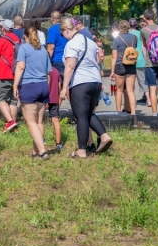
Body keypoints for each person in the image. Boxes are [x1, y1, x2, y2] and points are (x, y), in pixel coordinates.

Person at [59, 17, 113, 158]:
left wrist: (64, 87)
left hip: (80, 82)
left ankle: (82, 151)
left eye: (62, 33)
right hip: (95, 81)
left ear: (66, 30)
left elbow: (70, 66)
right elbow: (97, 62)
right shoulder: (91, 42)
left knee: (80, 116)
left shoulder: (72, 44)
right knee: (88, 114)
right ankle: (104, 136)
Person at [13, 25, 51, 158]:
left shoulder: (24, 47)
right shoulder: (43, 50)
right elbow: (48, 73)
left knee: (30, 121)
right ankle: (36, 152)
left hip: (29, 86)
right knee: (39, 121)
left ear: (25, 36)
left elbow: (20, 66)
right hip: (43, 86)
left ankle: (42, 151)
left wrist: (15, 86)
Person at [0, 20, 22, 132]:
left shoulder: (2, 40)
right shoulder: (18, 39)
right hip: (16, 74)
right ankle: (14, 128)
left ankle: (10, 122)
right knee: (13, 101)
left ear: (3, 29)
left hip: (3, 73)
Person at [111, 21, 139, 115]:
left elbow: (114, 57)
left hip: (120, 65)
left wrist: (112, 71)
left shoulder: (117, 39)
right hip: (131, 65)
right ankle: (133, 112)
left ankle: (118, 112)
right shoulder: (134, 38)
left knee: (119, 90)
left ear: (119, 28)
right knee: (130, 91)